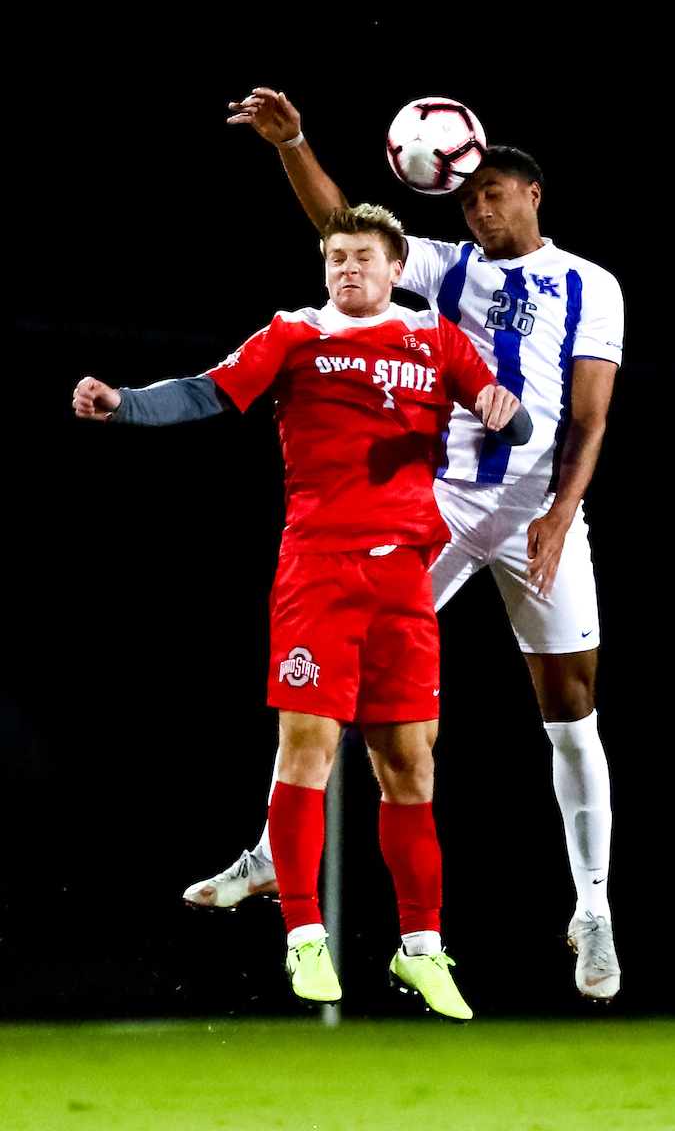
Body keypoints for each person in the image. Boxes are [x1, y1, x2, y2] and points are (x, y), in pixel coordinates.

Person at [185, 87, 625, 1003]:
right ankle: (273, 857)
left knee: (571, 706)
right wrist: (293, 143)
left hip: (544, 511)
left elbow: (588, 419)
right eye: (468, 198)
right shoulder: (449, 269)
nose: (479, 208)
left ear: (533, 193)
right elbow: (346, 227)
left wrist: (557, 513)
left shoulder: (592, 284)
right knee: (341, 670)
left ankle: (593, 906)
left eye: (494, 193)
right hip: (446, 507)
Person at [72, 203, 529, 1020]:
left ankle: (421, 947)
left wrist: (506, 412)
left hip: (404, 584)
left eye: (363, 257)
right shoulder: (294, 334)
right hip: (319, 572)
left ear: (396, 268)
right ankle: (304, 934)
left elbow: (510, 414)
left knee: (412, 768)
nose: (347, 269)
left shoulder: (435, 341)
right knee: (308, 748)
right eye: (335, 257)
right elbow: (208, 392)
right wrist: (126, 404)